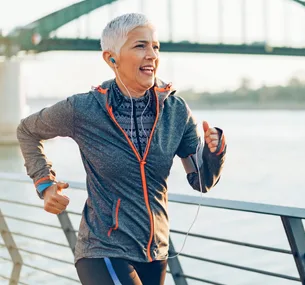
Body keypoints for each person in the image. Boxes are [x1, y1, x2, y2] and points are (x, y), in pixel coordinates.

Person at [17, 13, 226, 285]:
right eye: (140, 46)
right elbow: (27, 130)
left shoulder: (176, 112)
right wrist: (45, 184)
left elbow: (201, 180)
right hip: (102, 248)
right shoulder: (85, 109)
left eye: (156, 46)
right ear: (111, 58)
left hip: (155, 253)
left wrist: (215, 152)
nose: (152, 54)